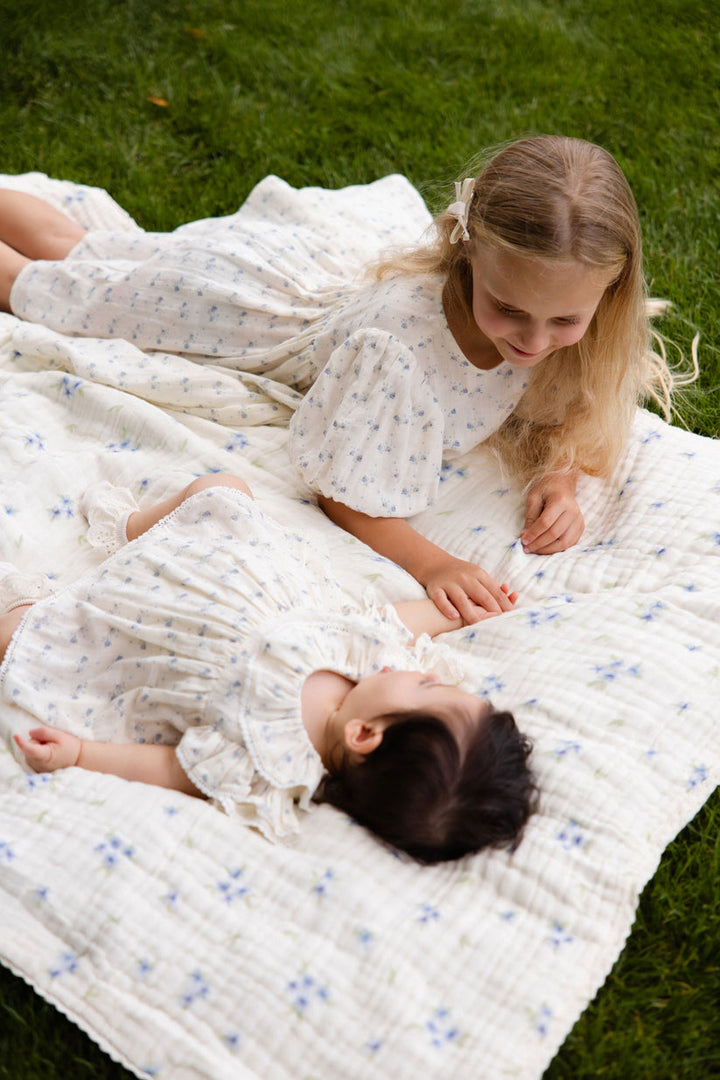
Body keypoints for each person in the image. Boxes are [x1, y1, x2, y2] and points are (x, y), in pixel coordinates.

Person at [0, 136, 693, 623]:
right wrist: (435, 566)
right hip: (240, 315)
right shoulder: (400, 350)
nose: (535, 343)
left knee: (94, 254)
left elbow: (567, 407)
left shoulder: (578, 322)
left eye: (563, 322)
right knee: (58, 285)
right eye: (508, 311)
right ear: (469, 256)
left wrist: (559, 477)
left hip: (301, 289)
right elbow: (342, 492)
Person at [2, 473, 536, 865]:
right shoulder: (370, 666)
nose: (424, 672)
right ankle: (133, 527)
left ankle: (65, 603)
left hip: (145, 628)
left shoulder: (269, 762)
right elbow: (386, 620)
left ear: (364, 734)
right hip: (217, 563)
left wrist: (80, 754)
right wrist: (453, 611)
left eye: (427, 684)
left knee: (20, 637)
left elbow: (172, 767)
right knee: (221, 488)